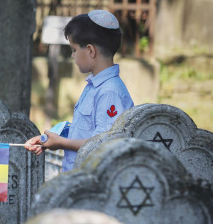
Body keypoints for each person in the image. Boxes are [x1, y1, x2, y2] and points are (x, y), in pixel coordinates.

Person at [25, 10, 134, 171]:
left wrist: (61, 143)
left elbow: (104, 144)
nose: (72, 56)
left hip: (91, 182)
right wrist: (50, 139)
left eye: (74, 49)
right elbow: (87, 132)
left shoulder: (110, 92)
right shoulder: (94, 85)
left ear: (90, 51)